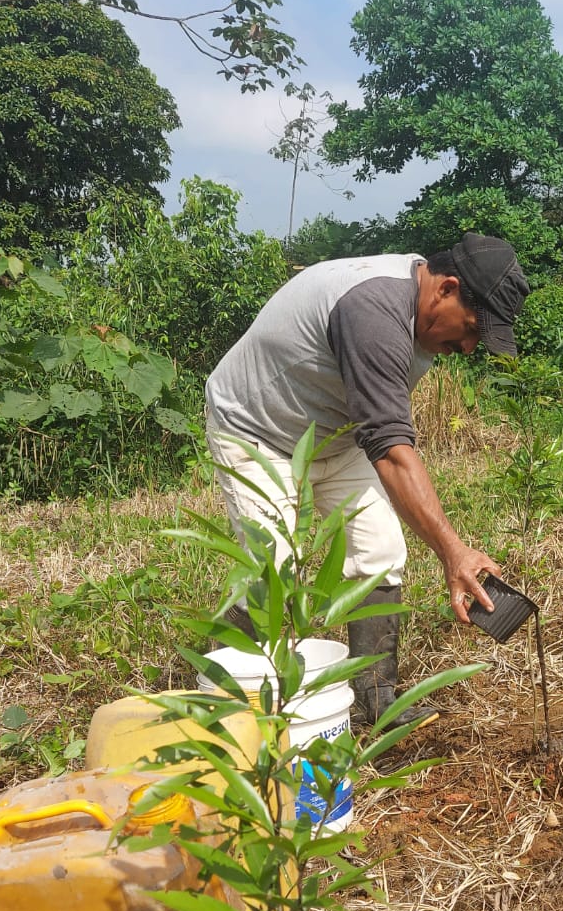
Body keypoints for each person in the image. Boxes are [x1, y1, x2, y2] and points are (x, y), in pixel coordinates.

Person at [203, 232, 529, 724]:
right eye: (469, 331)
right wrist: (453, 552)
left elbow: (379, 427)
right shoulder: (374, 311)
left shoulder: (421, 311)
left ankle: (374, 702)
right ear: (446, 288)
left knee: (380, 552)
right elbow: (391, 452)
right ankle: (222, 694)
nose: (467, 347)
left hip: (335, 435)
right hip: (257, 431)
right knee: (274, 571)